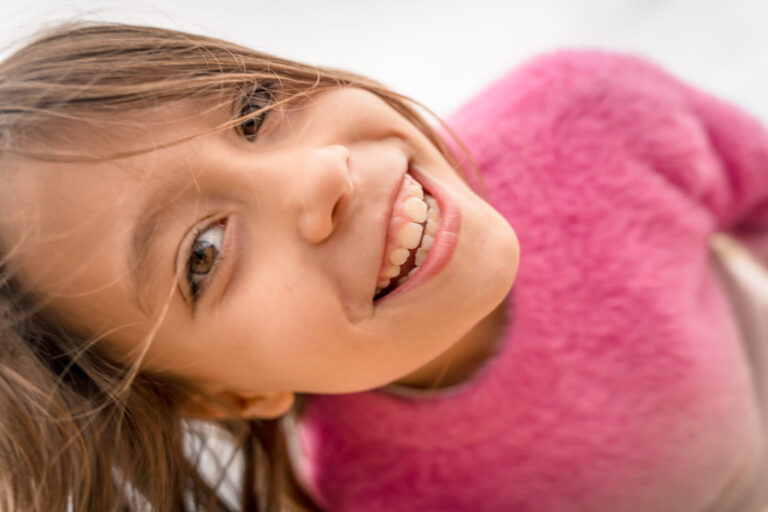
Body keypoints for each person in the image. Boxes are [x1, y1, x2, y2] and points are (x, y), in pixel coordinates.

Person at [0, 20, 765, 512]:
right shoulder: (377, 495)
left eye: (253, 110)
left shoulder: (590, 117)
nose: (319, 175)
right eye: (204, 253)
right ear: (230, 395)